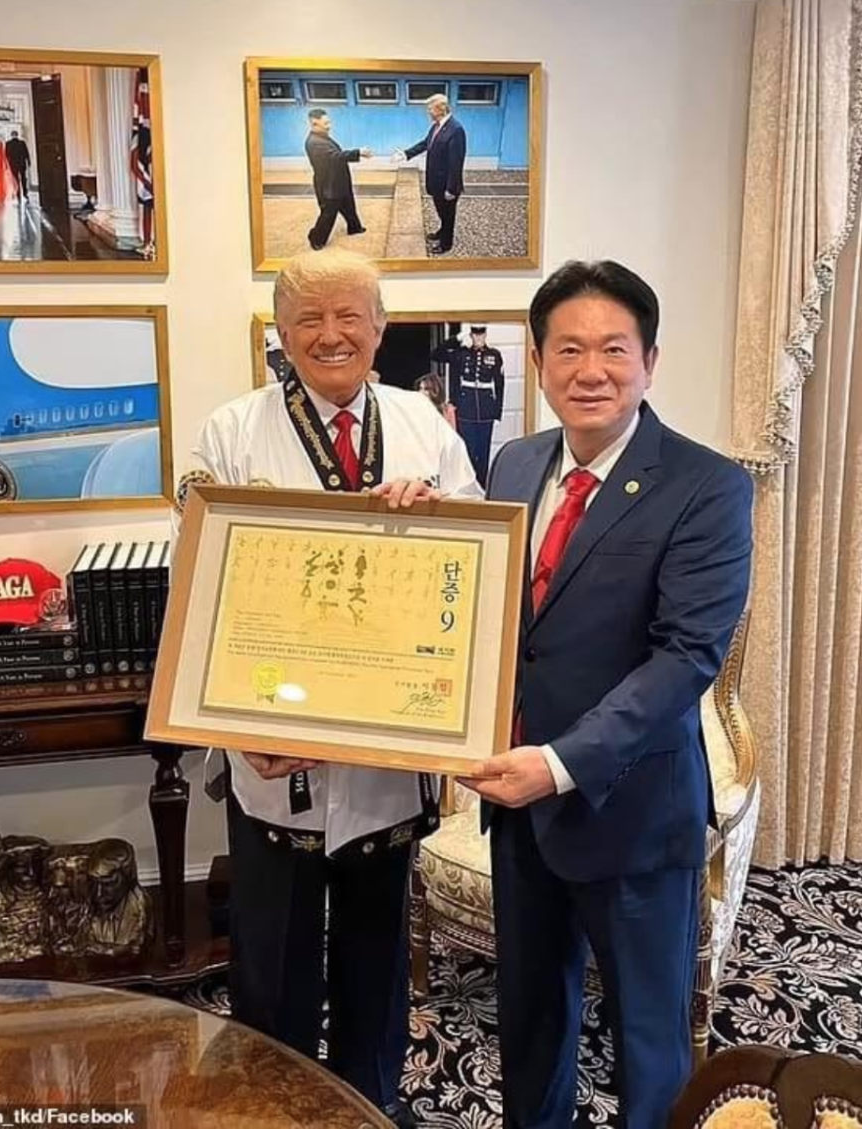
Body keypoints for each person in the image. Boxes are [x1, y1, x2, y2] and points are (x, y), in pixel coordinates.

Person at [189, 247, 480, 1127]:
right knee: (272, 964)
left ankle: (371, 1103)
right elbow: (202, 589)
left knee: (375, 955)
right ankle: (271, 1107)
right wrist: (235, 725)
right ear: (281, 333)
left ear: (381, 329)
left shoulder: (426, 426)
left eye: (350, 315)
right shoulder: (232, 432)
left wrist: (434, 511)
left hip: (386, 759)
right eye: (309, 318)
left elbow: (474, 578)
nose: (331, 334)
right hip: (273, 752)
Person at [461, 260, 753, 1129]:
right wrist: (416, 521)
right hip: (518, 807)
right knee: (531, 1020)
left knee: (649, 1040)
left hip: (629, 807)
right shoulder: (514, 464)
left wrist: (558, 764)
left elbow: (685, 658)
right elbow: (487, 610)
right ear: (541, 361)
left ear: (650, 362)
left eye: (615, 350)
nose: (592, 370)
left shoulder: (708, 485)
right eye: (570, 349)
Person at [431, 325, 504, 487]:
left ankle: (482, 486)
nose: (478, 338)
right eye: (475, 335)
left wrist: (497, 411)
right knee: (468, 451)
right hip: (466, 407)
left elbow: (499, 384)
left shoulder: (494, 355)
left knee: (483, 453)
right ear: (471, 336)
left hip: (485, 409)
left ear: (485, 335)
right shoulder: (461, 354)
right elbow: (436, 354)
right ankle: (469, 486)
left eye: (481, 335)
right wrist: (457, 338)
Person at [394, 94, 466, 255]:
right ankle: (442, 231)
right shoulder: (436, 125)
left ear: (441, 109)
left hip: (447, 184)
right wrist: (406, 154)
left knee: (448, 214)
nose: (428, 112)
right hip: (435, 181)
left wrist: (451, 188)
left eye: (430, 109)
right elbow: (425, 143)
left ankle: (446, 243)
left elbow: (457, 162)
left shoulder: (456, 130)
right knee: (441, 211)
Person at [304, 108, 371, 250]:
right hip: (329, 185)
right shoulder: (315, 142)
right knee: (328, 214)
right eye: (326, 123)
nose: (329, 125)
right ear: (314, 124)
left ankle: (354, 227)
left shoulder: (322, 137)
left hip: (339, 181)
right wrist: (358, 152)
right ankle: (316, 239)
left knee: (349, 206)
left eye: (329, 122)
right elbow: (335, 156)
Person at [5, 130, 31, 200]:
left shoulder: (8, 144)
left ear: (11, 135)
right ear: (17, 135)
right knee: (23, 178)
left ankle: (17, 192)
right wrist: (28, 161)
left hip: (13, 164)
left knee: (15, 179)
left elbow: (6, 155)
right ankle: (25, 192)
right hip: (21, 163)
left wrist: (6, 165)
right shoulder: (22, 143)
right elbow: (26, 153)